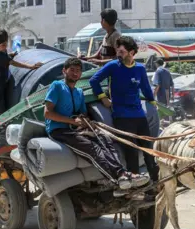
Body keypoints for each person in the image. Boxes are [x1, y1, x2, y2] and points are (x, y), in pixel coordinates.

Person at [45, 57, 149, 195]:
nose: (75, 73)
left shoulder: (79, 92)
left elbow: (82, 114)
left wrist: (86, 122)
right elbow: (47, 114)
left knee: (105, 140)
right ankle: (118, 179)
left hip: (75, 129)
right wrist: (72, 122)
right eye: (72, 70)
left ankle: (123, 173)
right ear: (64, 71)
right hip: (59, 130)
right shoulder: (57, 86)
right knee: (92, 148)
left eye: (78, 71)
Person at [89, 36, 159, 183]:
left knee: (148, 149)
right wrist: (103, 97)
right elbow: (94, 80)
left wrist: (152, 102)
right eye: (117, 51)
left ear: (131, 52)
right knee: (131, 150)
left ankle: (155, 180)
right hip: (121, 115)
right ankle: (134, 182)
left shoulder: (140, 68)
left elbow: (146, 88)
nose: (118, 54)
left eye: (121, 51)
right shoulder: (113, 66)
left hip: (139, 115)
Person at [0, 29, 43, 122]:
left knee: (1, 110)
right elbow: (13, 63)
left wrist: (11, 54)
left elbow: (6, 56)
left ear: (7, 42)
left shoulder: (1, 52)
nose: (1, 47)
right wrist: (31, 66)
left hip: (0, 84)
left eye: (4, 45)